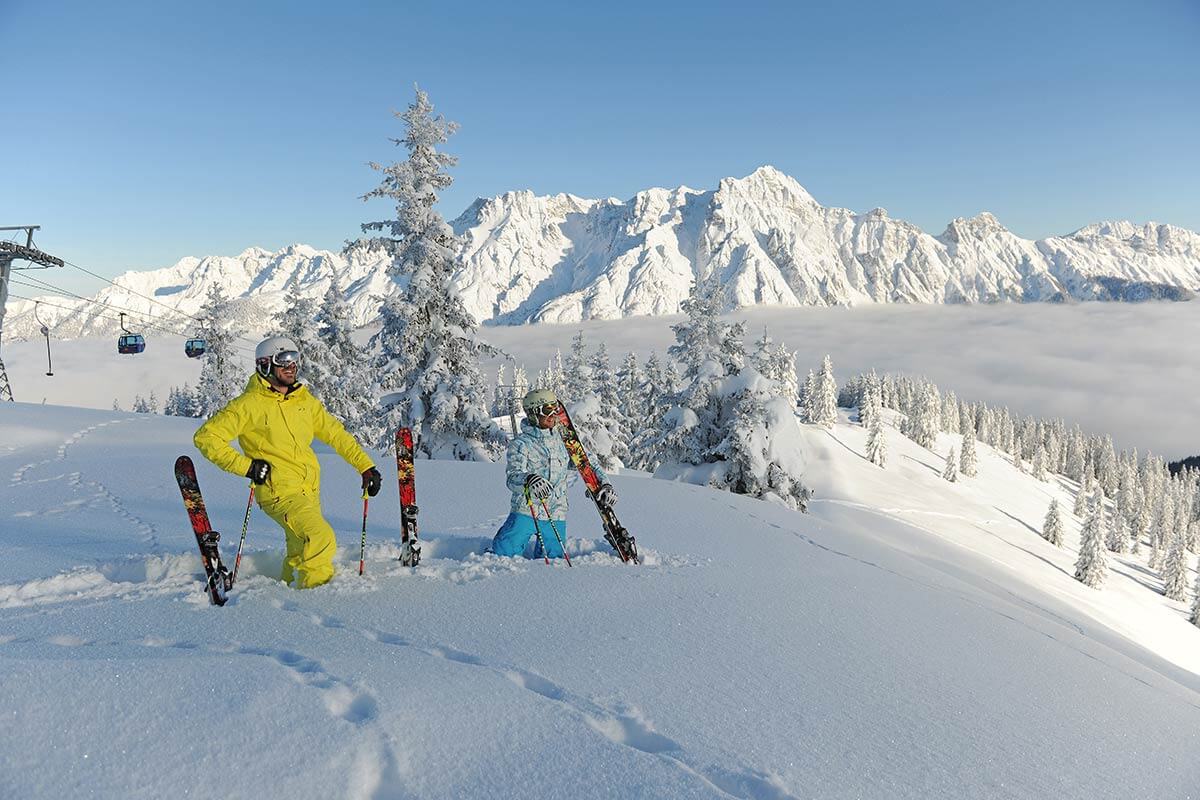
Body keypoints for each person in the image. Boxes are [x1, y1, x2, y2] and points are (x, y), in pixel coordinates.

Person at [193, 336, 382, 589]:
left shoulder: (303, 401)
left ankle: (288, 592)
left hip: (308, 490)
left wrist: (365, 466)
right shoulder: (249, 405)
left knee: (300, 549)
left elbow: (336, 435)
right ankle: (318, 595)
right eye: (283, 360)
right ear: (265, 365)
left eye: (294, 359)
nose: (291, 366)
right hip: (278, 492)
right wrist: (247, 467)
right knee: (320, 537)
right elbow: (206, 438)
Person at [491, 388, 617, 559]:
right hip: (526, 510)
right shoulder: (521, 444)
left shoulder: (565, 442)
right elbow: (512, 478)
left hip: (556, 511)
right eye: (547, 409)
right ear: (533, 414)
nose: (553, 414)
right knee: (503, 553)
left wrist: (605, 483)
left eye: (555, 408)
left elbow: (588, 463)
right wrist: (529, 479)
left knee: (554, 559)